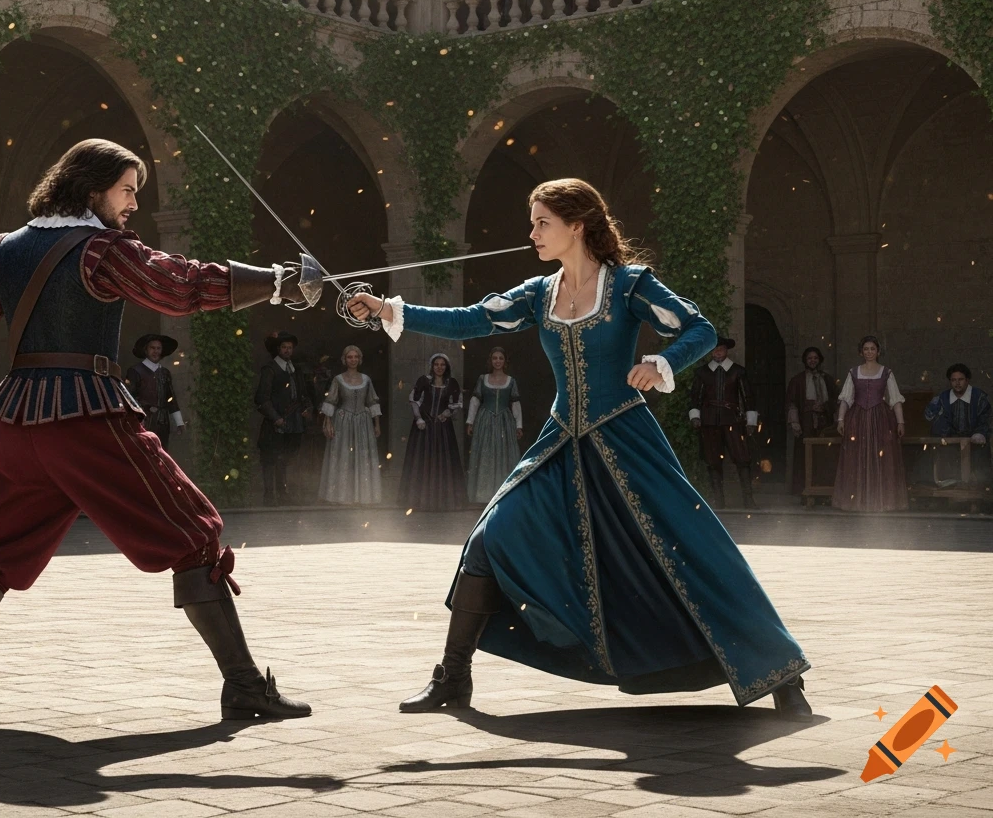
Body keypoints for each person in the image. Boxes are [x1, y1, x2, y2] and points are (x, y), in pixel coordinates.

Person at [347, 178, 811, 721]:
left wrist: (661, 364)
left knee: (694, 549)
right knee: (488, 537)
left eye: (543, 221)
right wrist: (385, 308)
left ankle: (780, 672)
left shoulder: (631, 286)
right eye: (533, 221)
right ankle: (452, 678)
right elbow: (470, 319)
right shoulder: (537, 294)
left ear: (578, 225)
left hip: (626, 439)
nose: (533, 232)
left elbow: (699, 330)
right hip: (560, 441)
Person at [0, 139, 311, 723]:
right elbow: (179, 285)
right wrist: (280, 282)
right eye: (128, 189)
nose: (134, 202)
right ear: (92, 189)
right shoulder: (103, 250)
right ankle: (242, 685)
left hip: (23, 424)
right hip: (87, 417)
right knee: (193, 533)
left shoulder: (4, 251)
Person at [833, 335, 907, 512]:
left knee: (881, 457)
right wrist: (841, 419)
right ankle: (857, 501)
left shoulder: (886, 372)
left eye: (872, 349)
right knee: (857, 457)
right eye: (866, 349)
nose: (869, 352)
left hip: (880, 420)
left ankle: (881, 501)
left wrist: (900, 422)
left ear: (878, 351)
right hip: (857, 420)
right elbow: (845, 398)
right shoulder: (853, 372)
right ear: (861, 352)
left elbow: (895, 399)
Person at [689, 337, 758, 509]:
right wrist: (695, 416)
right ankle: (719, 501)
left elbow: (747, 397)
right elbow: (695, 397)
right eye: (714, 349)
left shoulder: (738, 371)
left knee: (742, 458)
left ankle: (748, 500)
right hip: (709, 421)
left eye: (720, 349)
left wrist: (750, 420)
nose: (717, 352)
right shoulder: (702, 373)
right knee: (712, 460)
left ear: (726, 350)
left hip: (733, 420)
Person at [400, 354, 467, 512]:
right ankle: (420, 501)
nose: (439, 367)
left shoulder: (452, 383)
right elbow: (415, 401)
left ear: (446, 366)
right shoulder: (424, 381)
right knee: (422, 460)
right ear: (432, 365)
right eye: (436, 364)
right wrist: (418, 419)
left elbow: (456, 404)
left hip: (443, 428)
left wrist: (446, 413)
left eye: (442, 365)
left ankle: (441, 501)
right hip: (424, 426)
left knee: (443, 462)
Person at [317, 345, 383, 505]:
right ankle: (340, 496)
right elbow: (331, 401)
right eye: (349, 357)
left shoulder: (366, 379)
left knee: (362, 456)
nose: (353, 360)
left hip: (363, 422)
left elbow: (372, 401)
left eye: (355, 357)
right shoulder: (338, 379)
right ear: (344, 360)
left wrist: (377, 424)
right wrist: (327, 422)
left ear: (360, 359)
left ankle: (363, 496)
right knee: (344, 455)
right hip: (343, 421)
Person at [255, 331, 312, 507]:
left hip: (293, 423)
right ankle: (269, 496)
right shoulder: (270, 369)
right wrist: (276, 418)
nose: (287, 350)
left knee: (285, 458)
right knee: (270, 459)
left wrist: (306, 409)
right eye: (284, 347)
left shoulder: (295, 370)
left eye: (290, 348)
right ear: (278, 349)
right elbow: (261, 399)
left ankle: (283, 494)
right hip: (276, 423)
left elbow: (303, 394)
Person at [466, 346, 524, 504]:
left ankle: (504, 494)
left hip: (505, 421)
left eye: (500, 358)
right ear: (490, 361)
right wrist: (470, 421)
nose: (497, 361)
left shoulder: (511, 381)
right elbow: (475, 401)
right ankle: (483, 495)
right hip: (485, 420)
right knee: (486, 453)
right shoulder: (482, 379)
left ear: (505, 361)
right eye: (494, 358)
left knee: (503, 453)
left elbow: (515, 403)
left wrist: (519, 425)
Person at [923, 363, 990, 486]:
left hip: (976, 444)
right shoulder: (943, 398)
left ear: (967, 380)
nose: (957, 383)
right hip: (951, 444)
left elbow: (985, 419)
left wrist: (980, 433)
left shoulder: (979, 397)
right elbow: (929, 416)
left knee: (980, 476)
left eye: (960, 379)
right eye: (953, 380)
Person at [785, 346, 838, 497]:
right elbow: (791, 403)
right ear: (805, 360)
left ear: (819, 360)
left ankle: (825, 492)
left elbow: (836, 400)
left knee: (824, 455)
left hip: (825, 423)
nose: (812, 361)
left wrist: (825, 407)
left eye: (815, 358)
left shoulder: (827, 379)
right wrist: (795, 422)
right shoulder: (797, 380)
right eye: (809, 358)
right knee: (805, 457)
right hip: (805, 423)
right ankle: (805, 492)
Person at [125, 333, 184, 448]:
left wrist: (179, 422)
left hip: (163, 422)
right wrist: (139, 416)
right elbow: (129, 397)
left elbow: (170, 398)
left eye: (158, 348)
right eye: (152, 348)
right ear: (146, 350)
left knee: (162, 452)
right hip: (144, 422)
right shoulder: (135, 371)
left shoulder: (165, 373)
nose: (155, 351)